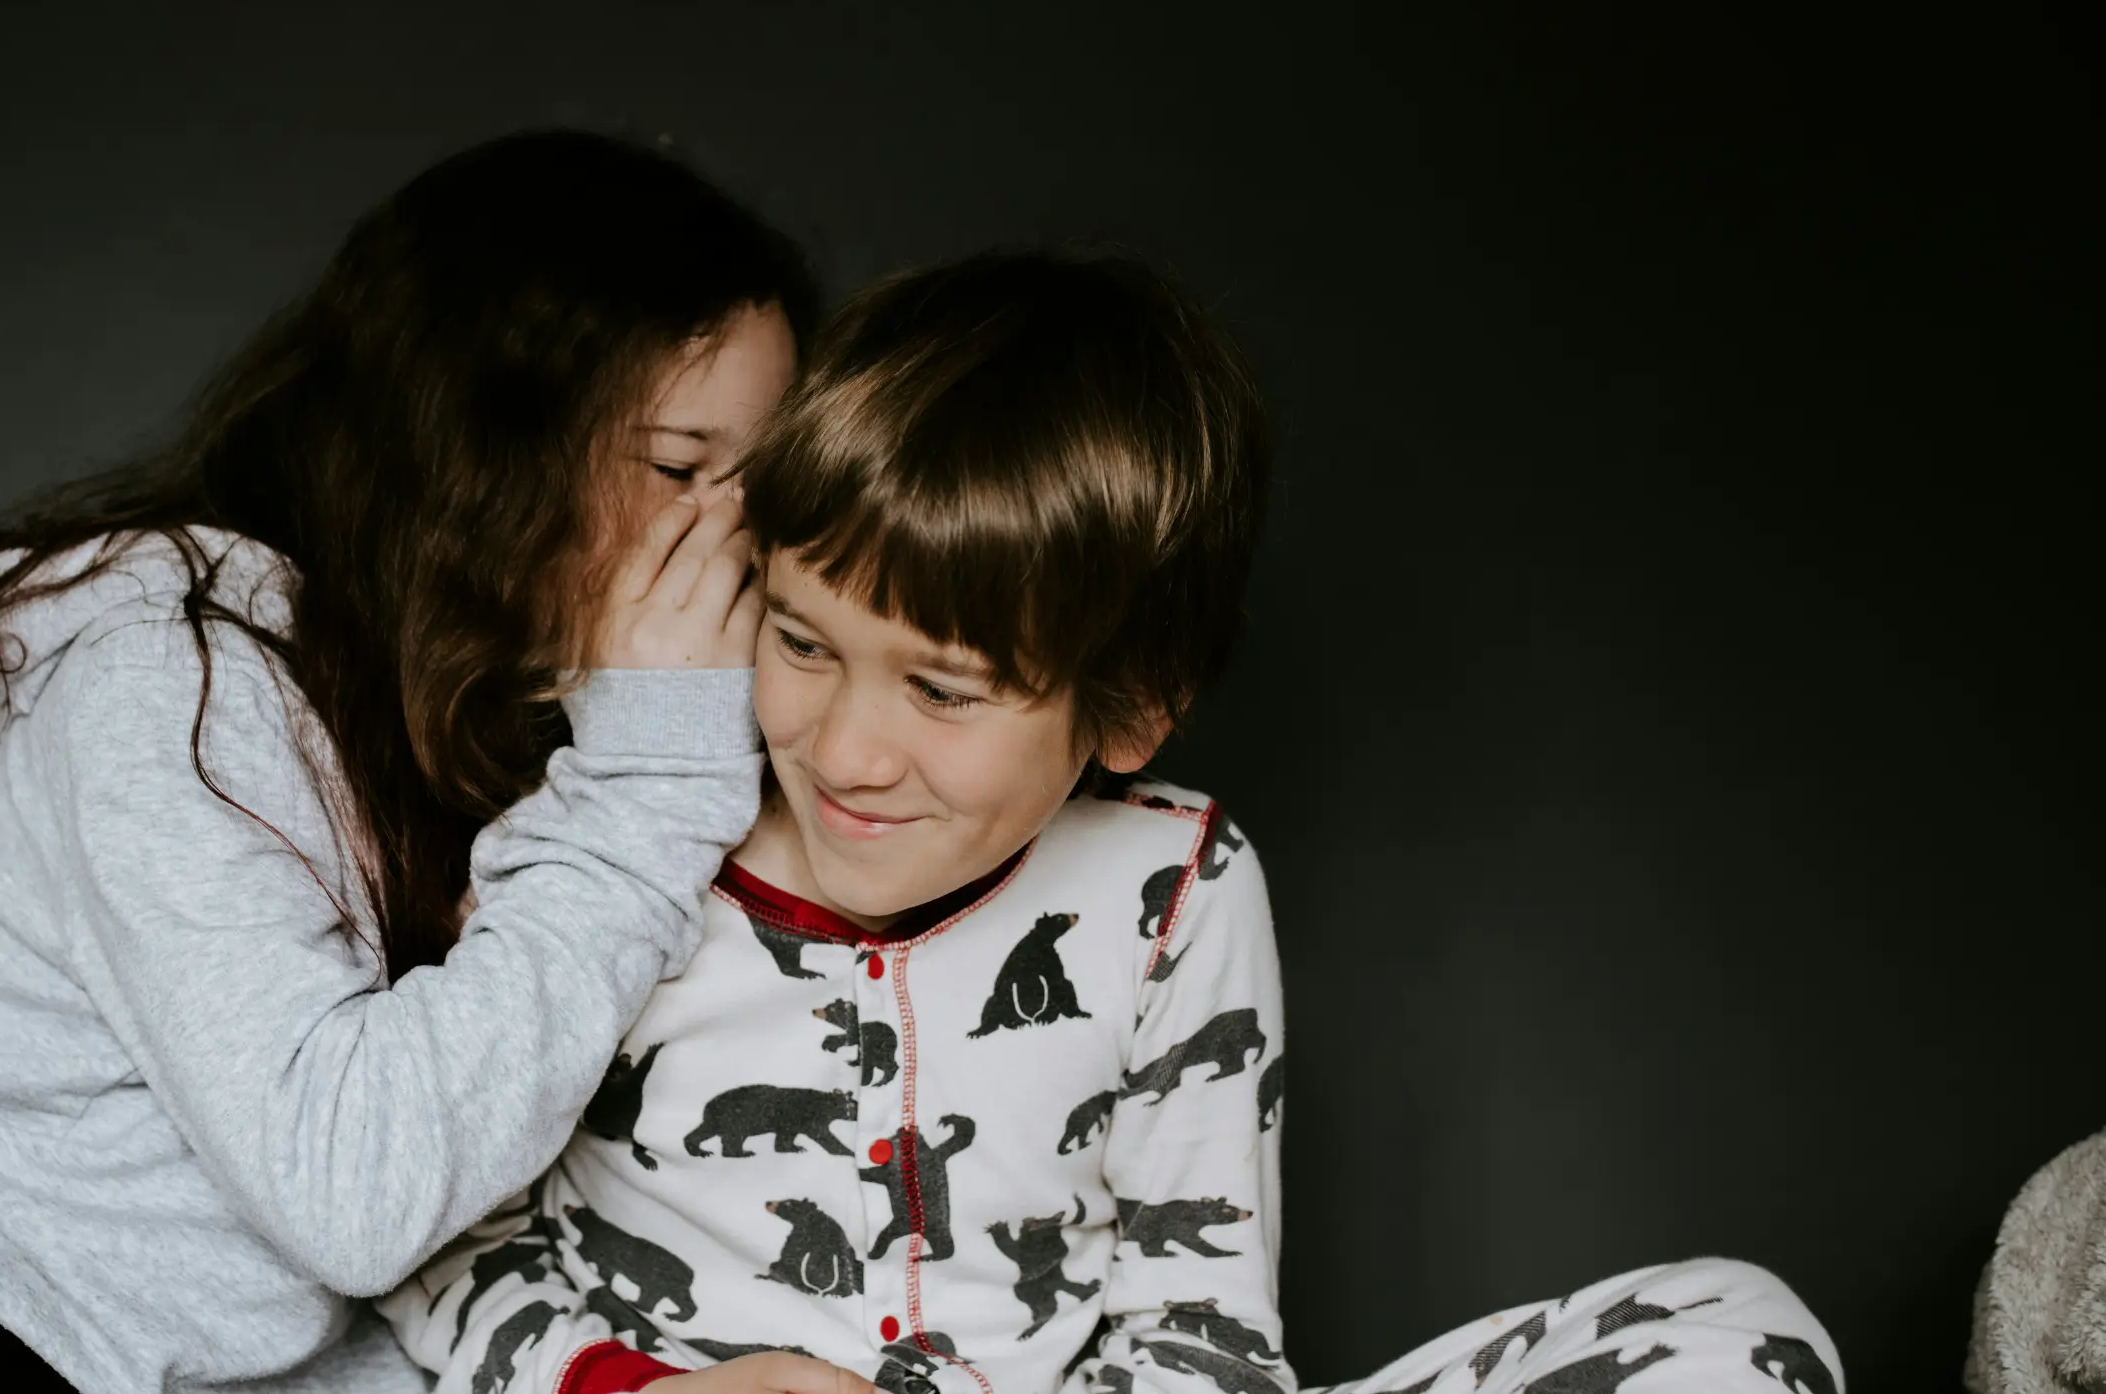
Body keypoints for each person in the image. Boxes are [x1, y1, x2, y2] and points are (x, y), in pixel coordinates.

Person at [0, 131, 876, 1394]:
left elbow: (352, 1270)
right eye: (679, 466)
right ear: (477, 458)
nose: (731, 536)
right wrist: (652, 777)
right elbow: (356, 1193)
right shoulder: (169, 675)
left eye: (761, 483)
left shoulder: (526, 750)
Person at [385, 251, 1845, 1394]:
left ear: (1129, 708)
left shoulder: (1176, 885)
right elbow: (432, 1239)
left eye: (944, 690)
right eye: (803, 640)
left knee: (1741, 1330)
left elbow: (1199, 1321)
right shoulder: (615, 849)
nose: (847, 749)